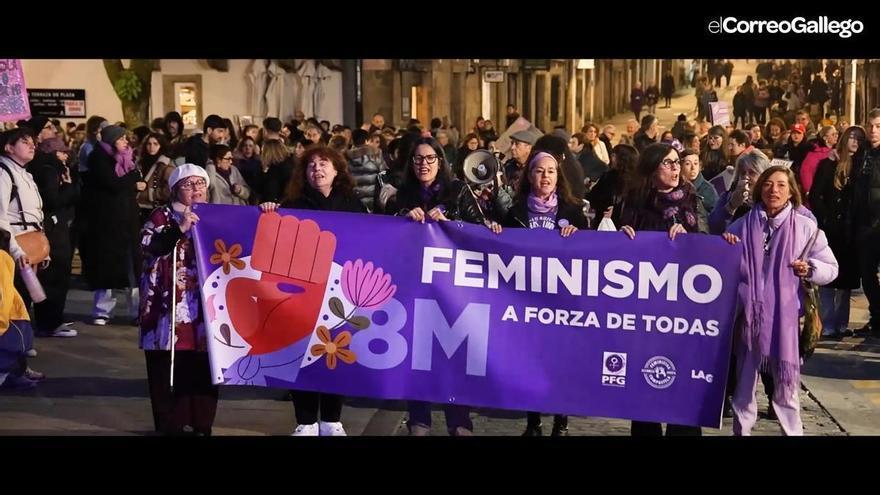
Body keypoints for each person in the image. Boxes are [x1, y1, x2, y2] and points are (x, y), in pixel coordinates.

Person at [722, 166, 838, 435]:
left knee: (787, 393)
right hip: (748, 320)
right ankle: (742, 431)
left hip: (785, 321)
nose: (774, 190)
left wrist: (810, 269)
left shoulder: (806, 227)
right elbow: (723, 263)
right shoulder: (744, 223)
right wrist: (726, 242)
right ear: (760, 188)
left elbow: (831, 268)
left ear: (791, 191)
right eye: (768, 184)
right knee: (743, 389)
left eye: (781, 185)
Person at [259, 146, 366, 436]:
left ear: (337, 170)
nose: (317, 169)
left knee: (335, 351)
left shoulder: (353, 203)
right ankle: (305, 420)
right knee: (302, 352)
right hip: (302, 290)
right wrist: (270, 211)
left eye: (323, 164)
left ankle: (332, 419)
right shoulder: (293, 203)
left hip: (341, 290)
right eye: (311, 166)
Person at [386, 137, 483, 436]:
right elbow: (381, 235)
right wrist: (401, 219)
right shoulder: (402, 195)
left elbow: (480, 229)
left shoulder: (458, 191)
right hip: (414, 292)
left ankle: (459, 420)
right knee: (418, 357)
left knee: (455, 357)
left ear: (440, 162)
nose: (423, 164)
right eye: (417, 159)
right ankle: (419, 419)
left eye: (429, 158)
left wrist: (451, 221)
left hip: (454, 292)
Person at [619, 142, 707, 436]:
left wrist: (690, 237)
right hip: (646, 311)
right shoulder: (634, 201)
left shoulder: (692, 199)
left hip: (684, 310)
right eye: (667, 163)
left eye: (676, 162)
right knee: (646, 381)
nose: (675, 168)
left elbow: (710, 244)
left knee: (682, 378)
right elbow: (616, 257)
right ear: (652, 168)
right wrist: (620, 237)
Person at [499, 149, 588, 436]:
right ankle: (533, 420)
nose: (545, 176)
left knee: (559, 363)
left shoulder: (572, 210)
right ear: (530, 175)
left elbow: (591, 249)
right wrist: (495, 230)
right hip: (527, 300)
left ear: (557, 176)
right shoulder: (514, 211)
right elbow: (501, 249)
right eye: (539, 170)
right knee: (531, 362)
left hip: (562, 300)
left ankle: (560, 421)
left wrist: (578, 234)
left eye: (550, 171)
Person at [140, 164, 218, 435]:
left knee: (203, 363)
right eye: (188, 184)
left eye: (200, 183)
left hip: (205, 303)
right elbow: (150, 247)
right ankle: (170, 423)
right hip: (168, 303)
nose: (196, 189)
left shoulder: (215, 215)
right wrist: (180, 228)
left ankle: (201, 422)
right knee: (167, 363)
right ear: (175, 189)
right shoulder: (161, 216)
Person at [80, 125, 145, 326]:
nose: (126, 142)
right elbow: (112, 184)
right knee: (106, 266)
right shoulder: (99, 158)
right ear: (111, 140)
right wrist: (133, 178)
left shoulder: (126, 158)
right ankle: (102, 311)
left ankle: (137, 311)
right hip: (107, 221)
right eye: (121, 138)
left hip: (127, 220)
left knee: (131, 267)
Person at [811, 126, 865, 339]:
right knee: (827, 280)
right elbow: (816, 195)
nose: (854, 141)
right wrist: (825, 218)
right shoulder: (828, 164)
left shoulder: (862, 165)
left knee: (845, 282)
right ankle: (827, 324)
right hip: (831, 230)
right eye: (851, 137)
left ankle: (841, 325)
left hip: (851, 231)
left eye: (859, 138)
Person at [135, 133, 173, 224]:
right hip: (138, 206)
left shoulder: (165, 164)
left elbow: (169, 187)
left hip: (155, 207)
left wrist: (152, 194)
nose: (151, 147)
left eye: (155, 144)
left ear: (161, 146)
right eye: (149, 144)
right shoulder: (140, 162)